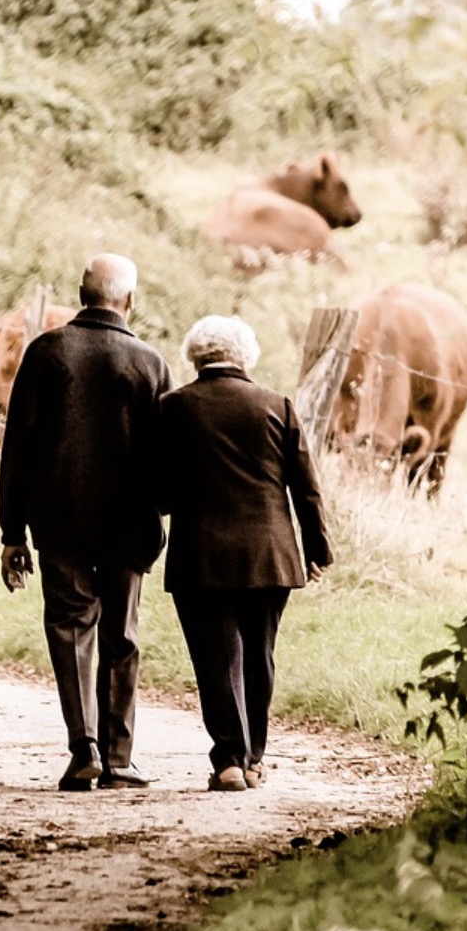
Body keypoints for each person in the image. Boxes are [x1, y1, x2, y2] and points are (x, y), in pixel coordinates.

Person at [0, 253, 172, 792]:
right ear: (131, 301)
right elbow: (164, 455)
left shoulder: (47, 353)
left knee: (71, 631)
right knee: (121, 634)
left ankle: (84, 750)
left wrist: (12, 533)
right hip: (129, 524)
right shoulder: (149, 363)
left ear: (80, 293)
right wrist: (161, 512)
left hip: (60, 521)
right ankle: (120, 759)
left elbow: (17, 449)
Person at [156, 315, 331, 792]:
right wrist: (317, 548)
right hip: (270, 554)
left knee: (216, 658)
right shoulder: (277, 406)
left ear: (195, 355)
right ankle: (253, 758)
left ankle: (229, 760)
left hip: (200, 556)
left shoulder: (173, 408)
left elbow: (161, 492)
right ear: (245, 356)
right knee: (259, 655)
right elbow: (306, 489)